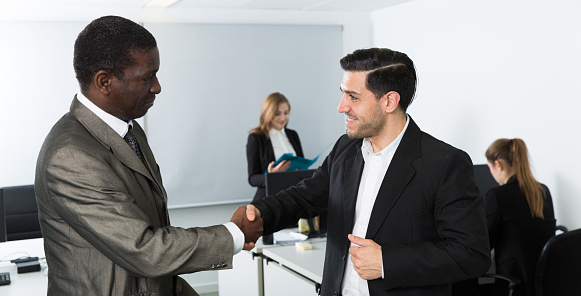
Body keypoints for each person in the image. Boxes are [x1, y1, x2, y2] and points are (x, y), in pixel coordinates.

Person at [34, 15, 262, 296]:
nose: (157, 87)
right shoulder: (70, 156)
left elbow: (150, 232)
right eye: (146, 78)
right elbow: (145, 250)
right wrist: (234, 234)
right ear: (104, 81)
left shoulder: (130, 129)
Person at [244, 47, 491, 296]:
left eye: (353, 97)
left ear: (389, 101)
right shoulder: (345, 149)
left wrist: (387, 262)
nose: (342, 107)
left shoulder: (445, 163)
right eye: (343, 94)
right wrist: (259, 215)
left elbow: (471, 254)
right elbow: (304, 197)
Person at [484, 138, 556, 296]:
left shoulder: (497, 196)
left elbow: (483, 245)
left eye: (489, 167)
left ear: (498, 165)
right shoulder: (543, 191)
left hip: (514, 286)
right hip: (542, 285)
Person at [246, 92, 304, 202]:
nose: (283, 117)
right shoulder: (256, 138)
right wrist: (271, 177)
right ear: (268, 113)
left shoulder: (293, 135)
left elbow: (301, 163)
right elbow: (252, 178)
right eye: (277, 114)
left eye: (286, 113)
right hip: (268, 200)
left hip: (293, 198)